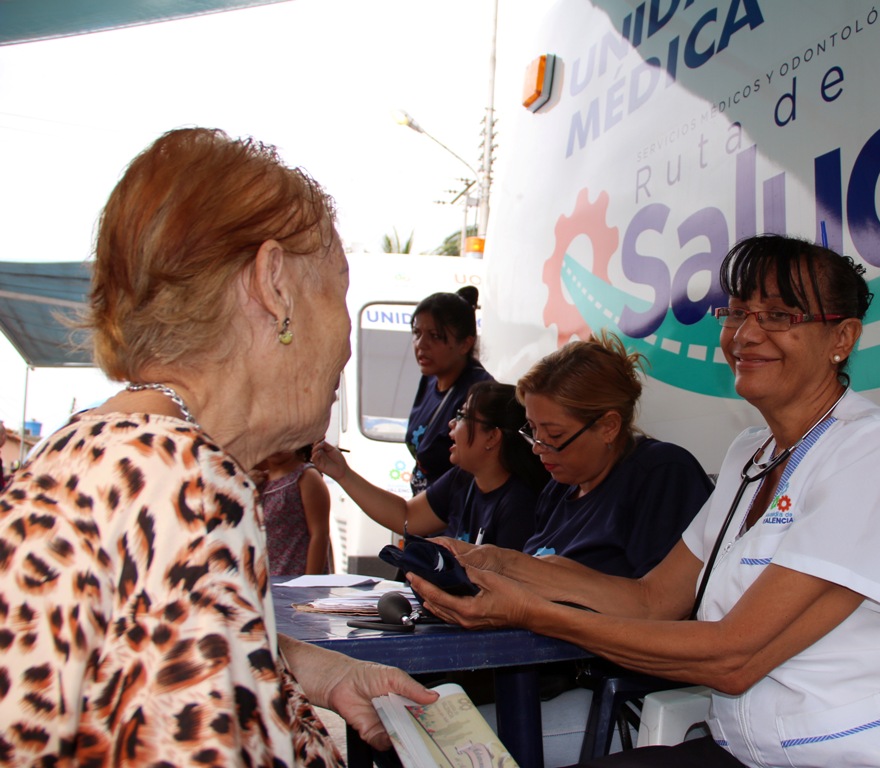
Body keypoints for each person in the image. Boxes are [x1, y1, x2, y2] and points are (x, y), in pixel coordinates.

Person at [411, 234, 880, 767]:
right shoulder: (751, 452)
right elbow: (650, 601)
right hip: (755, 752)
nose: (746, 333)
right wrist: (500, 565)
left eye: (779, 315)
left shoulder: (872, 447)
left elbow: (733, 658)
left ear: (842, 337)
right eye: (738, 312)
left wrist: (533, 612)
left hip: (874, 751)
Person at [0, 127, 437, 766]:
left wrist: (311, 668)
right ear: (273, 285)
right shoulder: (189, 488)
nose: (346, 339)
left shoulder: (107, 450)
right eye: (340, 289)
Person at [516, 331, 713, 579]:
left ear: (609, 426)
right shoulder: (556, 491)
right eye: (532, 429)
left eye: (554, 435)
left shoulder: (662, 476)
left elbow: (660, 603)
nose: (537, 447)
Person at [314, 380, 546, 551]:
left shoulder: (519, 503)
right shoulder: (461, 479)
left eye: (462, 416)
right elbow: (407, 516)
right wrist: (343, 474)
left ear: (492, 437)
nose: (451, 424)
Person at [406, 286, 493, 494]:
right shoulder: (429, 380)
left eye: (435, 336)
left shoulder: (479, 394)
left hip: (453, 518)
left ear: (465, 344)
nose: (421, 344)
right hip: (423, 511)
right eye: (417, 333)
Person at [259, 445, 332, 575]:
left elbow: (320, 534)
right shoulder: (259, 480)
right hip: (265, 580)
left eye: (283, 439)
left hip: (296, 580)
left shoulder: (306, 476)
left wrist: (310, 583)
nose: (277, 446)